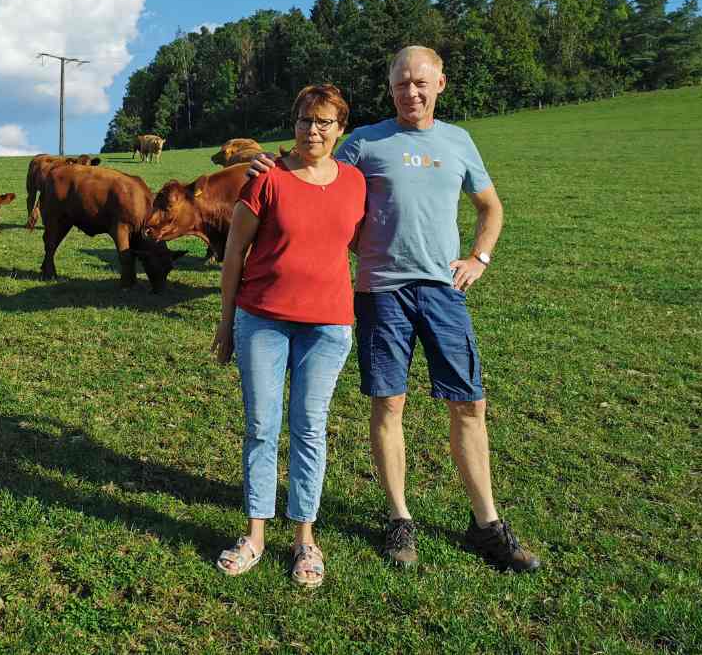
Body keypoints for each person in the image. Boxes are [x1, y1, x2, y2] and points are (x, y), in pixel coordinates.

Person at [248, 46, 540, 573]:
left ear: (441, 84)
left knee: (469, 404)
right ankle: (399, 519)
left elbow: (491, 207)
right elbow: (314, 167)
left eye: (421, 83)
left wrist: (480, 257)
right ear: (391, 89)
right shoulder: (365, 142)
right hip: (381, 291)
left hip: (444, 291)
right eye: (402, 84)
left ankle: (487, 524)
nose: (412, 92)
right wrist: (271, 163)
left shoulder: (459, 141)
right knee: (389, 404)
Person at [212, 84, 366, 588]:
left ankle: (305, 537)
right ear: (293, 124)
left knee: (310, 429)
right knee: (261, 424)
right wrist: (225, 321)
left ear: (340, 129)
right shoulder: (266, 179)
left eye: (324, 122)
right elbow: (234, 251)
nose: (313, 130)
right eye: (305, 120)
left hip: (328, 325)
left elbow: (366, 245)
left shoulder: (356, 183)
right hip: (262, 320)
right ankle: (255, 534)